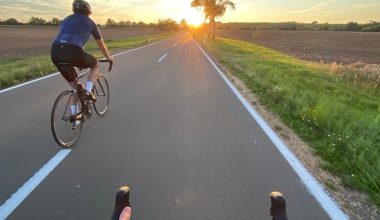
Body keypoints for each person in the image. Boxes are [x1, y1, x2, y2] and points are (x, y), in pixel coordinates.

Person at [50, 0, 114, 128]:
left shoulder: (66, 19)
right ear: (88, 11)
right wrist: (109, 57)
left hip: (55, 51)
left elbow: (69, 36)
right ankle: (88, 91)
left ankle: (76, 118)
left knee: (74, 87)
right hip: (73, 51)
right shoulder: (91, 23)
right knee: (95, 66)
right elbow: (101, 45)